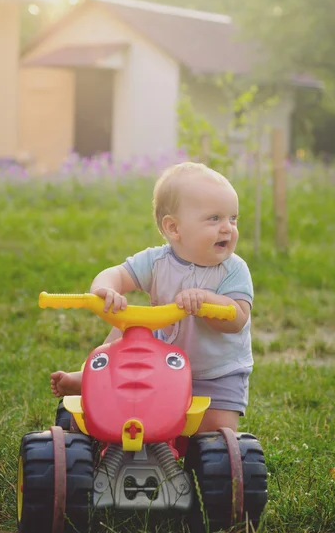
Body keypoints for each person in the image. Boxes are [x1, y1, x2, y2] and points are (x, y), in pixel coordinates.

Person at [51, 162, 253, 433]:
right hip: (158, 366)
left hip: (215, 373)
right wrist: (106, 289)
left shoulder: (233, 269)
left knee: (217, 435)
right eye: (214, 219)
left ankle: (206, 443)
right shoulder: (157, 261)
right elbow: (117, 274)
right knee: (128, 327)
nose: (227, 228)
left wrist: (206, 301)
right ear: (174, 228)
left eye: (233, 218)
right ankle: (95, 377)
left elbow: (237, 318)